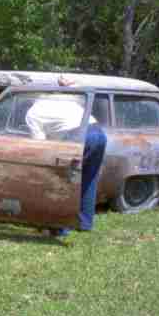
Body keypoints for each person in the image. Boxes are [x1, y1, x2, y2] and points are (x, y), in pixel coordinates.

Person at [27, 75, 107, 236]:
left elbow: (40, 145)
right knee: (88, 179)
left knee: (63, 180)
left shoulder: (32, 114)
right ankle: (84, 223)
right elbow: (77, 87)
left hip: (78, 135)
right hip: (98, 133)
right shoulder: (62, 99)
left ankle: (60, 227)